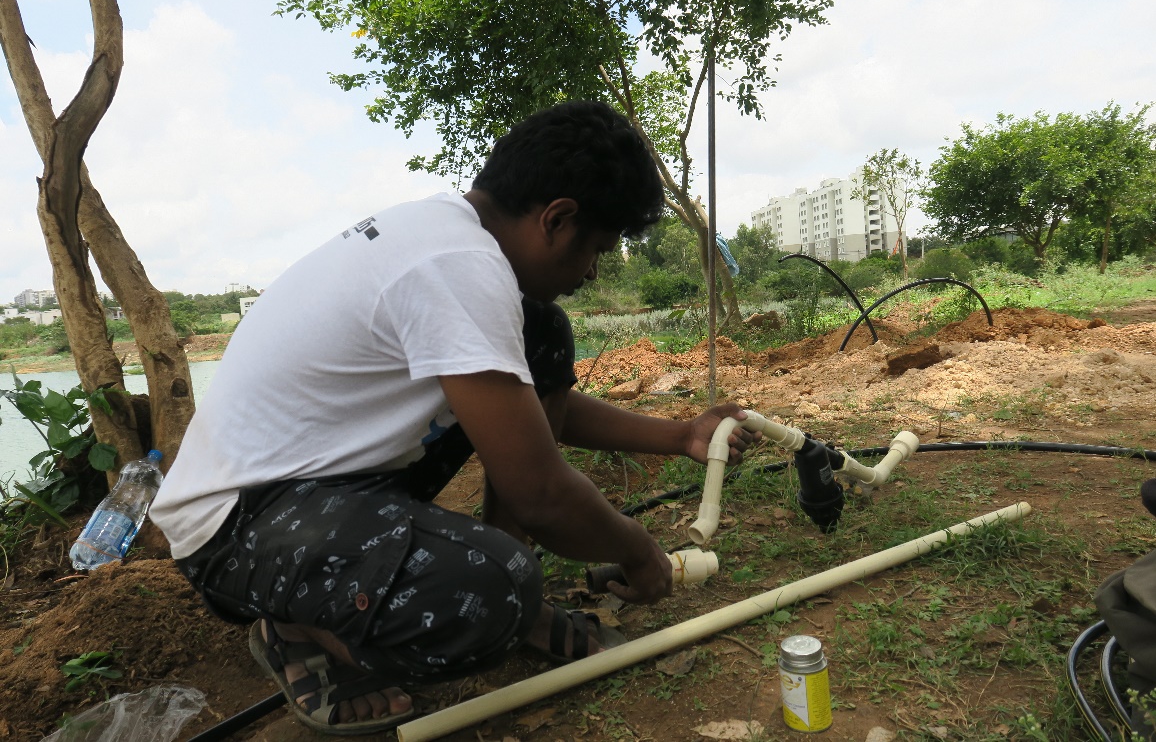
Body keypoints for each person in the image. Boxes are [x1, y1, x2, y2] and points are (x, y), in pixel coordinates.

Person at [151, 100, 756, 735]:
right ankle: (297, 628)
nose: (592, 271)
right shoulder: (456, 266)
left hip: (323, 484)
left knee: (541, 334)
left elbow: (523, 409)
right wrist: (640, 553)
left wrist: (679, 435)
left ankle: (512, 601)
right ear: (557, 218)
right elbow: (541, 492)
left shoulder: (451, 238)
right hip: (238, 526)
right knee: (496, 591)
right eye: (596, 250)